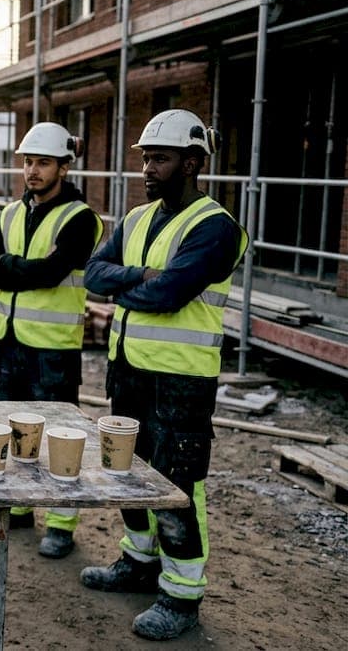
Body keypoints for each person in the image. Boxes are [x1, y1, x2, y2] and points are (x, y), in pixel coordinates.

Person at [81, 109, 247, 641]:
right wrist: (138, 276)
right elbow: (92, 275)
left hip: (180, 380)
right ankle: (138, 561)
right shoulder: (133, 220)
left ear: (193, 162)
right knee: (126, 472)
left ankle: (180, 594)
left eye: (161, 158)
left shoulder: (216, 228)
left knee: (177, 486)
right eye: (146, 158)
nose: (148, 169)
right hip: (128, 370)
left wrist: (130, 285)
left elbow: (169, 293)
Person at [0, 122, 102, 559]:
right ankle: (18, 509)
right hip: (7, 340)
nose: (32, 170)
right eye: (28, 161)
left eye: (42, 162)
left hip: (52, 346)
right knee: (11, 427)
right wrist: (22, 266)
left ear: (63, 166)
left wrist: (13, 265)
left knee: (60, 434)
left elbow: (53, 271)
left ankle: (61, 522)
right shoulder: (10, 213)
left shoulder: (81, 219)